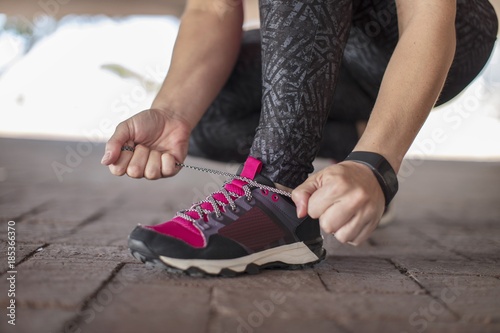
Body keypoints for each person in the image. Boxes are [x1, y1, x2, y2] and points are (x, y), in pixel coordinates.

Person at [101, 0, 498, 276]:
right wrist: (173, 113)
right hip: (326, 52)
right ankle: (345, 150)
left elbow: (429, 18)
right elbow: (211, 8)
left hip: (440, 33)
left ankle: (275, 192)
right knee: (205, 115)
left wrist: (376, 164)